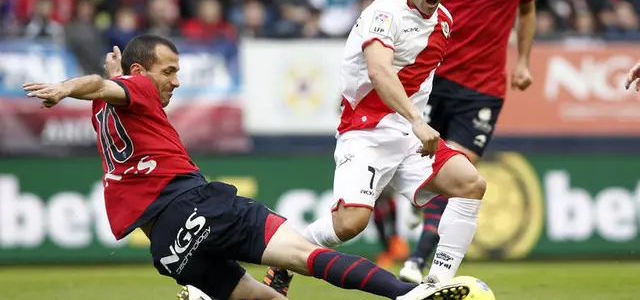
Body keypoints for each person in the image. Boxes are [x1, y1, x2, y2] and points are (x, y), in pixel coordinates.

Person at [23, 34, 471, 300]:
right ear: (141, 72)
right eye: (168, 72)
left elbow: (104, 89)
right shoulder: (133, 86)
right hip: (197, 205)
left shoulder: (103, 111)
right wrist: (65, 86)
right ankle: (411, 295)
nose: (175, 82)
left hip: (166, 244)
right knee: (305, 257)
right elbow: (103, 83)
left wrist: (105, 77)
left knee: (267, 298)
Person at [260, 0, 486, 297]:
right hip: (365, 132)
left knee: (471, 184)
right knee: (349, 225)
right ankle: (282, 260)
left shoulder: (444, 22)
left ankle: (436, 284)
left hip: (408, 136)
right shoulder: (385, 13)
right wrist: (417, 119)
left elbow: (420, 79)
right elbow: (380, 72)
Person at [398, 0, 538, 283]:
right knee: (428, 171)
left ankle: (418, 263)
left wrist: (522, 61)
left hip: (482, 91)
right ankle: (418, 200)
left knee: (456, 171)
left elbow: (527, 10)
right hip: (435, 81)